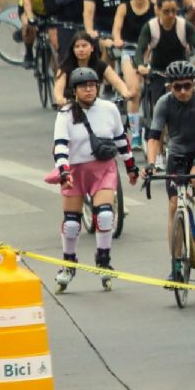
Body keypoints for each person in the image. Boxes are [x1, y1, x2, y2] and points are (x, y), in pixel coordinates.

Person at [51, 67, 138, 292]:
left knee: (106, 215)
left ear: (97, 86)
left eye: (92, 85)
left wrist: (131, 167)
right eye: (83, 86)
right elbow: (60, 144)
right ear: (75, 90)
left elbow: (121, 140)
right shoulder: (66, 113)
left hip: (103, 169)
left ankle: (104, 260)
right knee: (71, 223)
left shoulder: (109, 109)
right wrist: (63, 171)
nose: (88, 89)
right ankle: (68, 264)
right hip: (75, 171)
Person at [143, 60, 195, 281]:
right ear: (169, 87)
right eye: (177, 87)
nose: (183, 91)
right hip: (176, 153)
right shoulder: (163, 104)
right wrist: (151, 164)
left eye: (187, 86)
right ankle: (175, 265)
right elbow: (154, 137)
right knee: (174, 205)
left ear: (194, 83)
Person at [134, 0, 195, 124]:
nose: (171, 15)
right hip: (159, 72)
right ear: (158, 10)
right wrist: (140, 65)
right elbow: (140, 49)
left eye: (174, 11)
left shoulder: (184, 25)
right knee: (157, 107)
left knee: (190, 102)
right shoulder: (151, 27)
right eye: (166, 11)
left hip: (181, 73)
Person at [112, 0, 154, 150]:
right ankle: (135, 135)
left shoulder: (154, 8)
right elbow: (117, 28)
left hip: (148, 52)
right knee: (134, 91)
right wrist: (117, 40)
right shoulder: (123, 8)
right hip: (129, 51)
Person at [54, 31, 131, 108]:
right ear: (73, 49)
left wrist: (125, 92)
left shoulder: (100, 65)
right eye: (77, 47)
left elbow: (117, 81)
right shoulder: (65, 67)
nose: (80, 49)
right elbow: (58, 88)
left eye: (84, 46)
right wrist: (60, 98)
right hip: (70, 107)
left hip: (93, 106)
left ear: (92, 48)